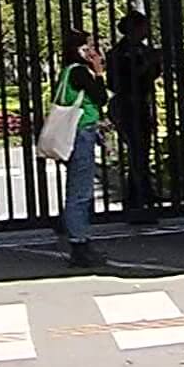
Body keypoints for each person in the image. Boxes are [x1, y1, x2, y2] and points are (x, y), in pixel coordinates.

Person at [57, 27, 111, 267]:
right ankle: (79, 242)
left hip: (76, 132)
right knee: (80, 190)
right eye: (87, 46)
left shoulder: (67, 71)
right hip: (81, 133)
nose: (92, 50)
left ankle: (78, 235)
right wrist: (99, 72)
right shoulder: (79, 72)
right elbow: (100, 96)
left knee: (77, 187)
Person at [108, 10, 163, 223]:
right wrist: (145, 66)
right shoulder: (119, 53)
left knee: (142, 150)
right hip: (126, 105)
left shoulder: (143, 50)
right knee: (136, 150)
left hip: (142, 104)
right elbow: (116, 82)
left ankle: (140, 195)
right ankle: (139, 198)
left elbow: (153, 74)